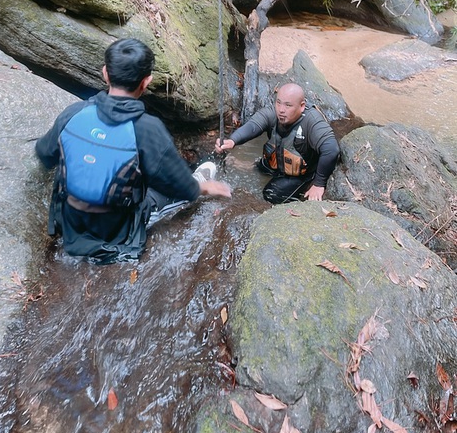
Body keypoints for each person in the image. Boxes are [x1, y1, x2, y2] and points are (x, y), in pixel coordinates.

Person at [36, 37, 231, 264]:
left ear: (105, 73)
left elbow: (44, 153)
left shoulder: (74, 112)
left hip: (69, 226)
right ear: (146, 81)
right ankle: (202, 177)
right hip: (117, 234)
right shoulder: (148, 130)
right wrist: (206, 188)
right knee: (171, 188)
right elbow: (183, 189)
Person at [215, 83, 339, 204]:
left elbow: (331, 150)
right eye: (278, 102)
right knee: (260, 167)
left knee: (270, 194)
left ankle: (305, 187)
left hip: (301, 174)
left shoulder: (312, 121)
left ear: (301, 106)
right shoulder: (273, 114)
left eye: (288, 105)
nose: (281, 110)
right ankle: (255, 166)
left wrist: (319, 184)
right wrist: (232, 140)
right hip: (277, 162)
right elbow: (254, 125)